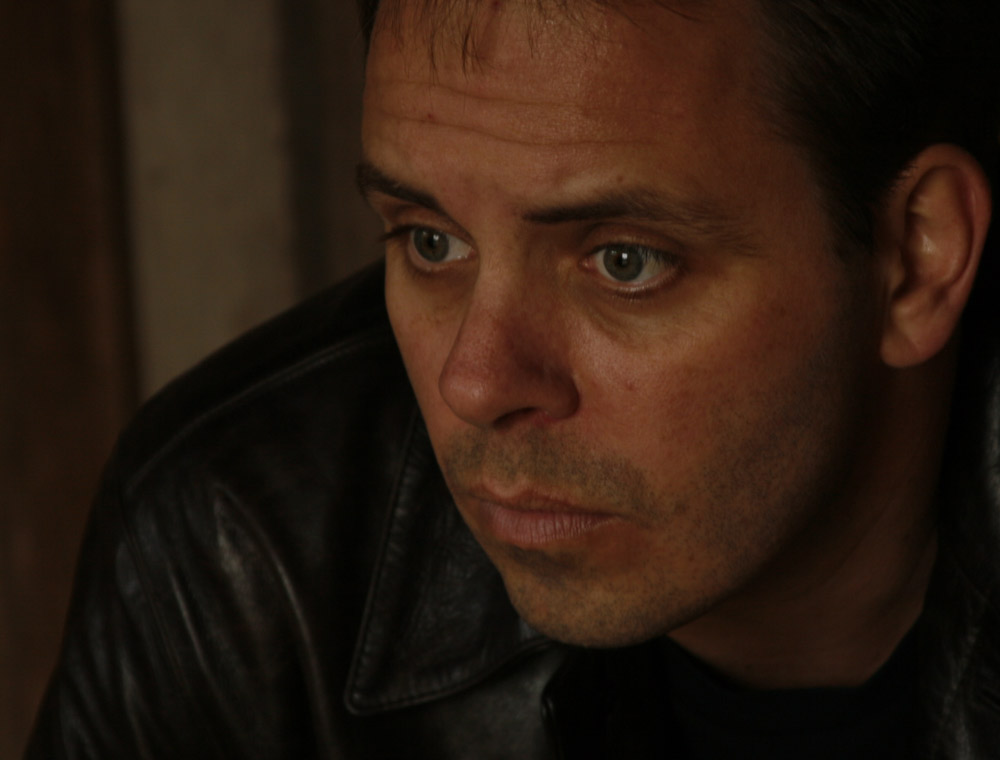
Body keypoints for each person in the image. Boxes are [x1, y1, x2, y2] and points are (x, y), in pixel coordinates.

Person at [27, 0, 1000, 757]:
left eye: (625, 261)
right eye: (431, 241)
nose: (476, 383)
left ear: (917, 258)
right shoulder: (242, 553)